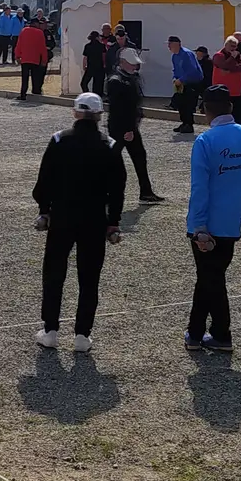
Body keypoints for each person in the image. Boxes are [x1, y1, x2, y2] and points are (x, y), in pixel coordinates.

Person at [32, 92, 126, 353]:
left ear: (75, 112)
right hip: (94, 218)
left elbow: (44, 180)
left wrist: (44, 209)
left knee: (54, 273)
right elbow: (118, 188)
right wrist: (113, 221)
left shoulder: (59, 140)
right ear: (99, 115)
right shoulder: (110, 145)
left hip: (62, 215)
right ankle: (82, 335)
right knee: (89, 276)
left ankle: (50, 330)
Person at [183, 85, 241, 353]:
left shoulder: (205, 141)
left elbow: (200, 187)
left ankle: (219, 333)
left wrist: (198, 226)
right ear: (230, 106)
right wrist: (240, 207)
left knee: (211, 279)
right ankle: (197, 333)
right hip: (231, 222)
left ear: (206, 110)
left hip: (207, 224)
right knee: (210, 277)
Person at [105, 49, 164, 203]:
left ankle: (146, 191)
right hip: (120, 127)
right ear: (122, 62)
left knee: (139, 157)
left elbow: (134, 106)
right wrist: (128, 129)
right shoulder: (115, 81)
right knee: (113, 161)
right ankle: (106, 193)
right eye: (131, 63)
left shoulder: (132, 78)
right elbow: (119, 109)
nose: (135, 66)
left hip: (130, 126)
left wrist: (133, 126)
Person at [166, 34, 204, 133]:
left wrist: (182, 79)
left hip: (192, 82)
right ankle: (184, 122)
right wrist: (175, 78)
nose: (168, 46)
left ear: (177, 44)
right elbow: (175, 69)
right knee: (180, 103)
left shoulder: (187, 54)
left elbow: (192, 70)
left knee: (188, 104)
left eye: (170, 44)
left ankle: (189, 124)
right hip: (181, 83)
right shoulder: (174, 56)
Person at [15, 14, 50, 99]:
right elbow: (42, 48)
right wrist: (44, 60)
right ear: (36, 24)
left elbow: (19, 45)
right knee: (35, 77)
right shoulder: (40, 33)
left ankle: (23, 94)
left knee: (25, 77)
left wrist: (17, 56)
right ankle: (36, 92)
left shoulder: (24, 31)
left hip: (25, 58)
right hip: (35, 58)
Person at [82, 30, 108, 99]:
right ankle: (97, 99)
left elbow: (85, 57)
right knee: (97, 86)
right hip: (100, 67)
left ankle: (87, 96)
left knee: (84, 83)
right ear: (97, 37)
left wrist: (84, 66)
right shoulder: (102, 46)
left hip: (90, 67)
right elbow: (104, 56)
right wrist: (105, 65)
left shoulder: (87, 46)